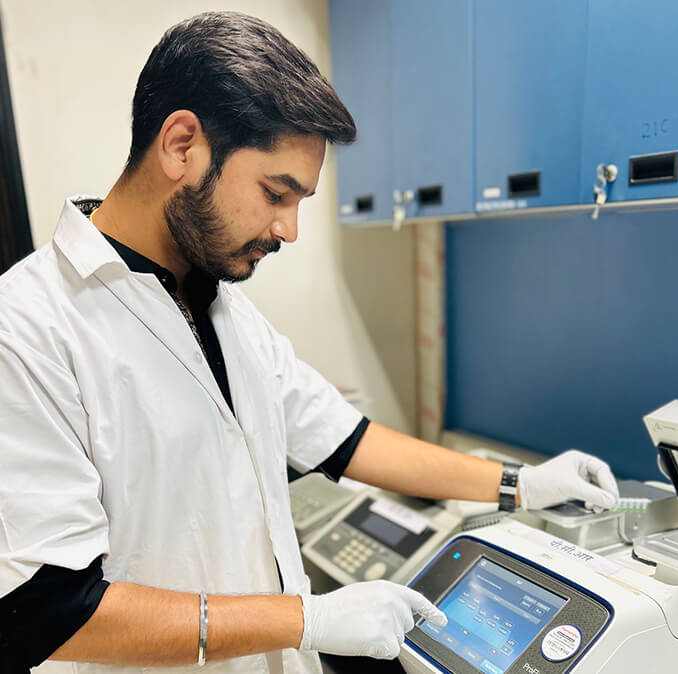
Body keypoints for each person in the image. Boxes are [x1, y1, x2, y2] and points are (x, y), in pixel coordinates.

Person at [0, 11, 619, 674]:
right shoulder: (29, 326)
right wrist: (307, 619)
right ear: (181, 145)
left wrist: (521, 485)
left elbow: (348, 441)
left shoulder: (222, 307)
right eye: (277, 193)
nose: (289, 230)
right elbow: (48, 611)